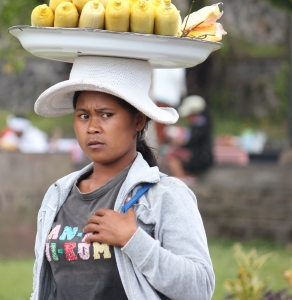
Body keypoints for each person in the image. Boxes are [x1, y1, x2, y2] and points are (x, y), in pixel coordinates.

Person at [31, 56, 214, 300]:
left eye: (106, 115)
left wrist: (133, 239)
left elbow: (200, 287)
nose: (92, 127)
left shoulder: (165, 195)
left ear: (138, 120)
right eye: (83, 115)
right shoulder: (58, 194)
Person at [166, 95, 214, 185]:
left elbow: (192, 141)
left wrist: (179, 143)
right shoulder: (204, 121)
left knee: (172, 155)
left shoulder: (200, 122)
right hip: (202, 156)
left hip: (200, 158)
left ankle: (181, 180)